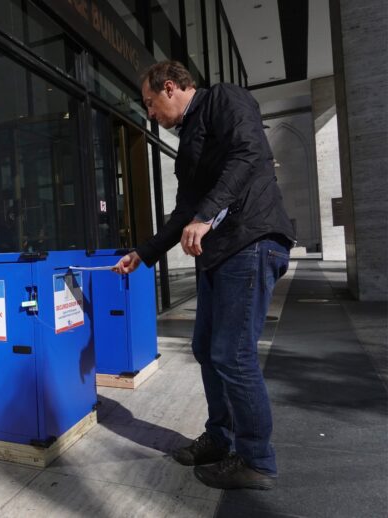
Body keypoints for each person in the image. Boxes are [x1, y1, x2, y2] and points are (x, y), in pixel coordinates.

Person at [113, 61, 295, 490]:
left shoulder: (223, 99)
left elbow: (250, 153)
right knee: (207, 348)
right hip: (221, 253)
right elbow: (184, 211)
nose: (150, 113)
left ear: (171, 88)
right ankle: (220, 437)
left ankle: (256, 460)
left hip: (251, 240)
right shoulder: (190, 140)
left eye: (150, 103)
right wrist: (145, 252)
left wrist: (208, 213)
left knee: (233, 354)